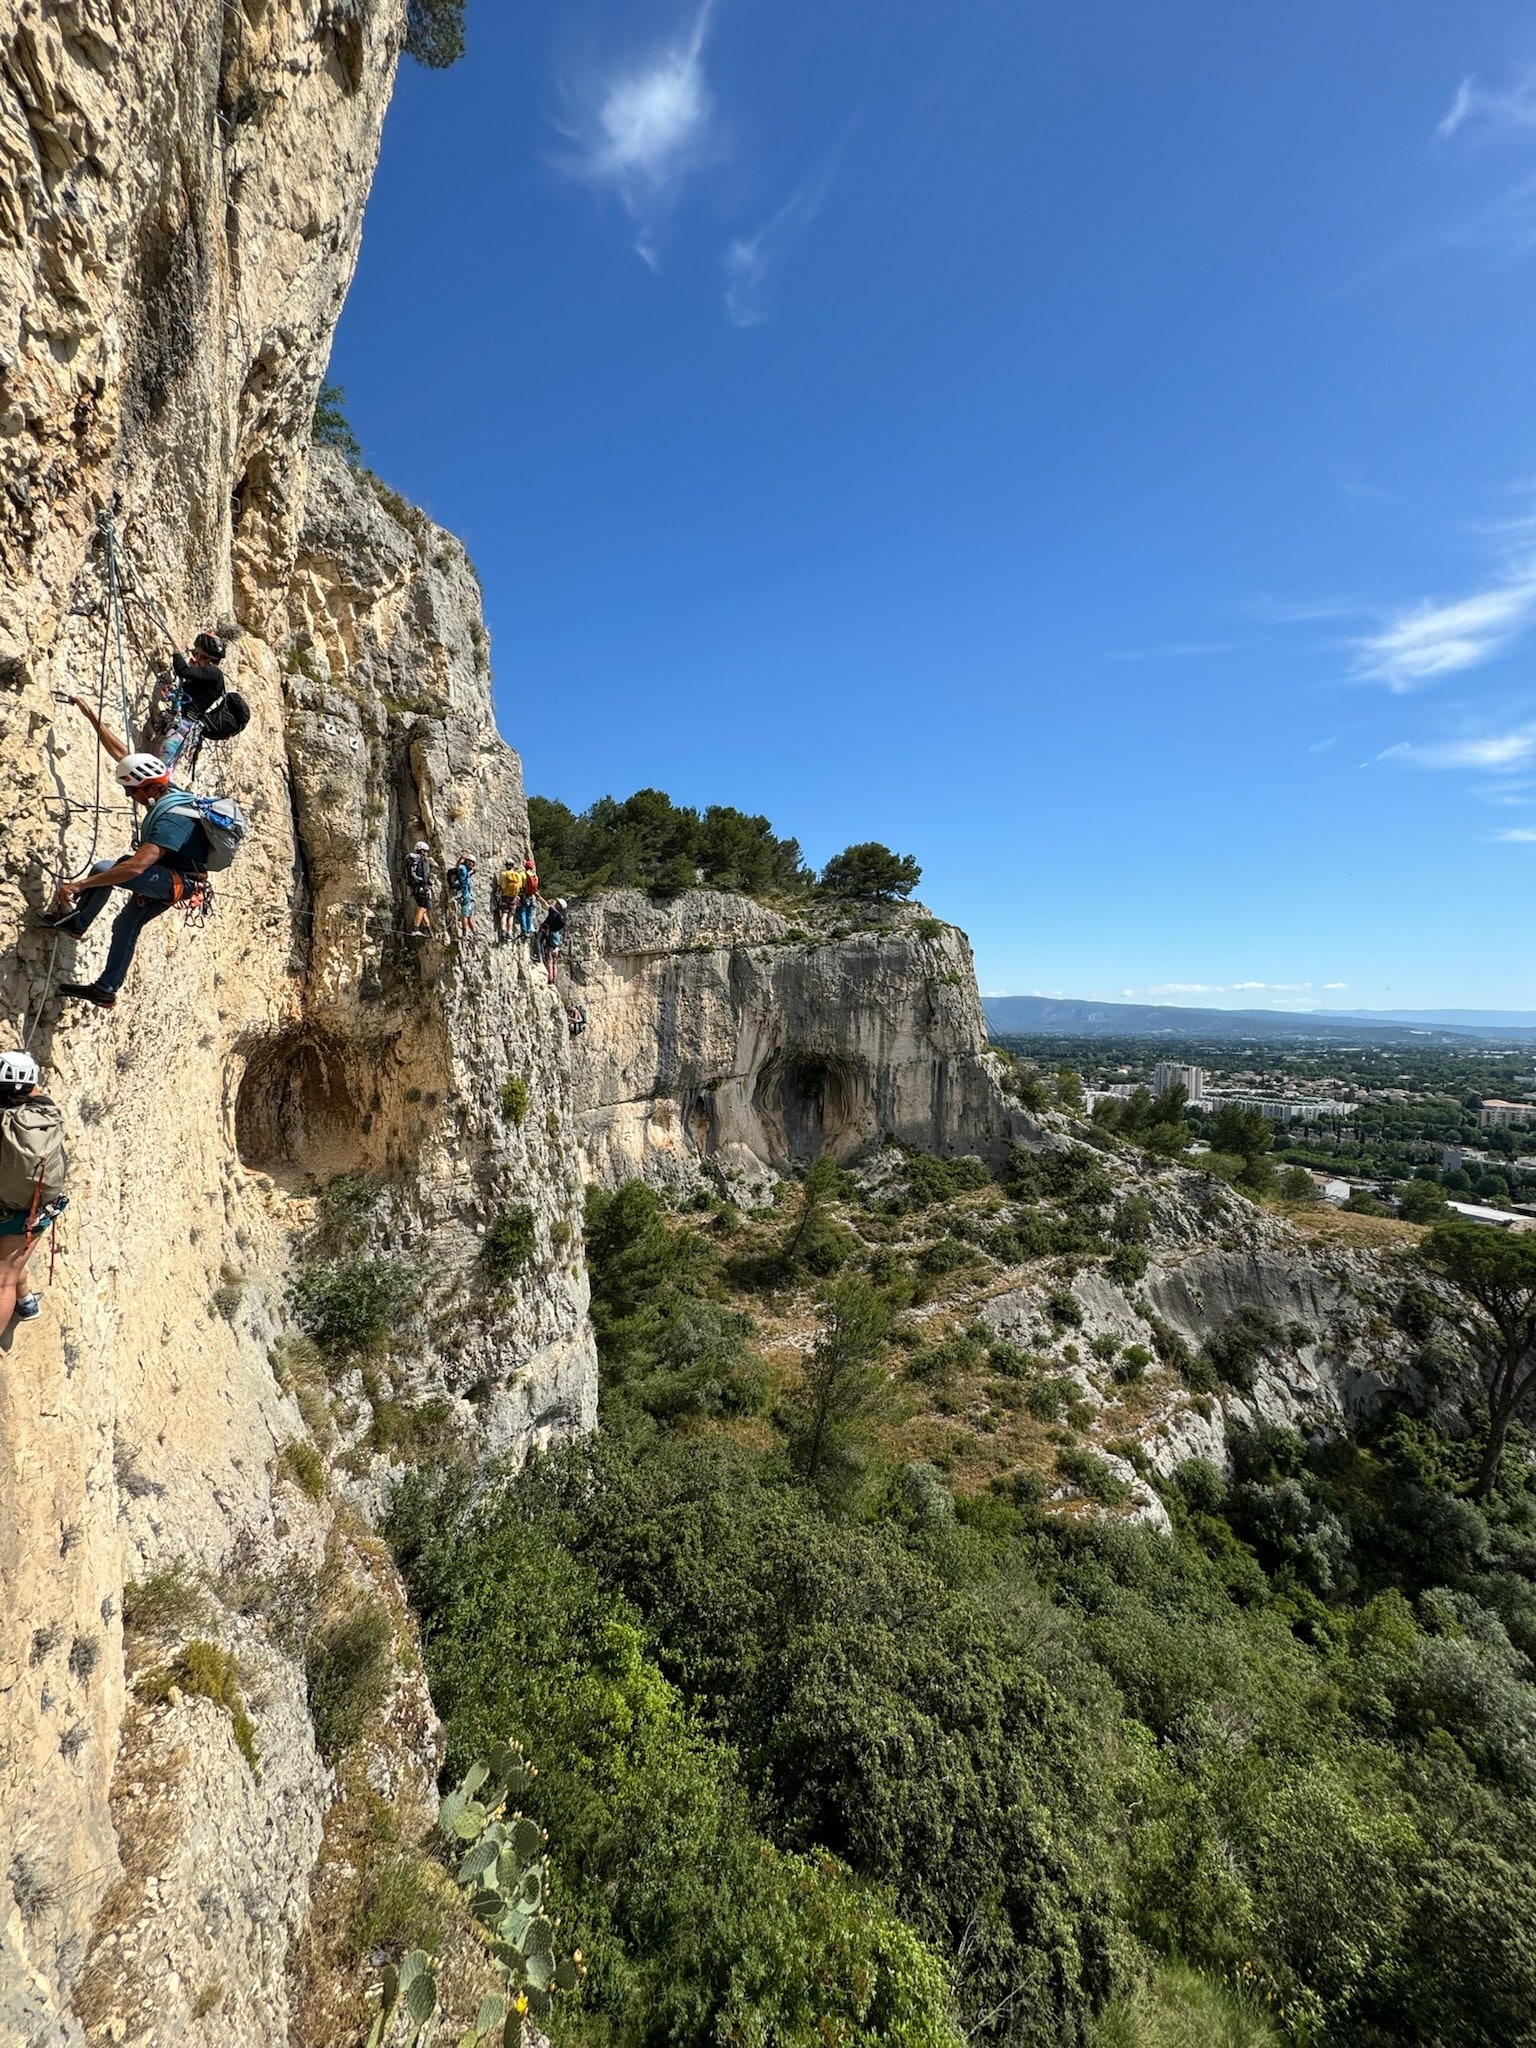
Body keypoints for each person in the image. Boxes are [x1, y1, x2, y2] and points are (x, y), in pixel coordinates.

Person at [43, 699, 213, 1010]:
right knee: (125, 925)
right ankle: (106, 989)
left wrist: (80, 886)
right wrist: (91, 716)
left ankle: (77, 922)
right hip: (173, 878)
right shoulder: (165, 788)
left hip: (175, 881)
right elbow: (124, 755)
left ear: (148, 789)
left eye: (130, 790)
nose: (127, 796)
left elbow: (136, 868)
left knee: (108, 867)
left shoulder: (172, 818)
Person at [0, 1050, 68, 1330]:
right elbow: (31, 1089)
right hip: (32, 1214)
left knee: (3, 1279)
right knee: (9, 1271)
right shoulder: (47, 1113)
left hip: (4, 1206)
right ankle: (26, 1302)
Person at [537, 897, 567, 985]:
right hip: (557, 947)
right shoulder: (560, 919)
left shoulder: (554, 912)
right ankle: (554, 979)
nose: (555, 903)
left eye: (557, 902)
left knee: (550, 962)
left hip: (550, 946)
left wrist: (538, 897)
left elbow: (545, 904)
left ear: (559, 906)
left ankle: (550, 979)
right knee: (555, 964)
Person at [406, 841, 434, 936]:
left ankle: (428, 930)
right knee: (421, 908)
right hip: (421, 887)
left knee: (423, 910)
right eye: (426, 851)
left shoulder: (413, 860)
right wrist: (425, 883)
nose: (426, 854)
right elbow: (422, 875)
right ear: (422, 851)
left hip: (415, 887)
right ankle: (415, 929)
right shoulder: (421, 860)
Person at [495, 856, 525, 944]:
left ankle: (503, 931)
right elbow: (519, 887)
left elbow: (499, 884)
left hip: (504, 896)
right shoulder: (518, 875)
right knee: (511, 916)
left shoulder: (503, 874)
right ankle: (509, 932)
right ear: (512, 866)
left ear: (506, 865)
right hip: (514, 898)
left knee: (504, 914)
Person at [448, 853, 477, 940]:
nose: (471, 864)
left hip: (467, 894)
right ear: (466, 861)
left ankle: (474, 933)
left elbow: (465, 879)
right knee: (465, 915)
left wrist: (472, 873)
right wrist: (460, 859)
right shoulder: (463, 868)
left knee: (469, 915)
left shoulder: (467, 871)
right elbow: (457, 868)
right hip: (464, 895)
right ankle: (464, 933)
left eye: (473, 863)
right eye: (470, 862)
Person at [517, 852, 539, 941]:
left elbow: (519, 885)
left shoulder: (522, 874)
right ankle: (529, 930)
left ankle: (524, 930)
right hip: (531, 896)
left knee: (523, 912)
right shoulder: (534, 876)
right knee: (529, 914)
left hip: (524, 896)